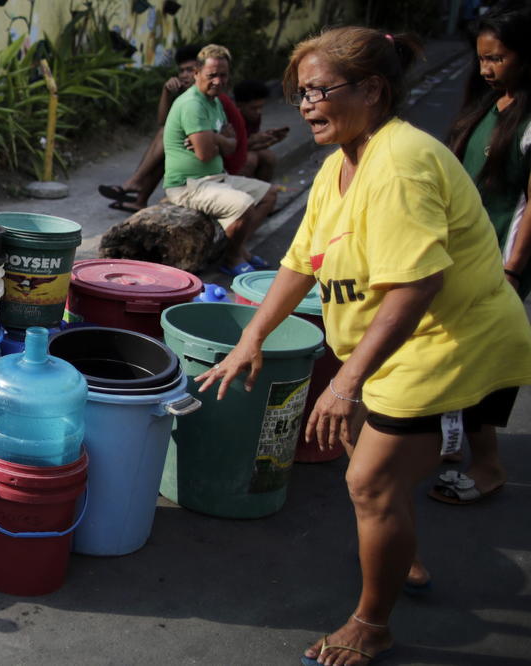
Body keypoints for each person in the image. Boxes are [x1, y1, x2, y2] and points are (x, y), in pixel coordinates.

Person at [196, 26, 531, 666]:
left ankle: (371, 623)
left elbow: (417, 285)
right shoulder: (338, 164)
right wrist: (252, 338)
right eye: (301, 93)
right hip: (399, 337)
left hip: (445, 338)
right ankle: (399, 550)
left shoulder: (400, 163)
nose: (306, 105)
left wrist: (345, 381)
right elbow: (302, 260)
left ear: (373, 89)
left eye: (320, 90)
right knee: (365, 452)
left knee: (369, 480)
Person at [428, 1, 531, 504]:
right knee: (445, 348)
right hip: (461, 255)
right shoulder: (489, 105)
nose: (488, 69)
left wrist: (512, 270)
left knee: (477, 363)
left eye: (500, 58)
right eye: (483, 58)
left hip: (499, 263)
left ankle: (488, 467)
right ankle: (446, 443)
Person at [162, 44, 278, 275]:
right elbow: (206, 153)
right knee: (244, 204)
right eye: (211, 75)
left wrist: (215, 138)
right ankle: (232, 258)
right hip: (189, 185)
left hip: (215, 178)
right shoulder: (192, 104)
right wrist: (219, 140)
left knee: (269, 194)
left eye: (223, 75)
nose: (218, 80)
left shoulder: (215, 102)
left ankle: (240, 248)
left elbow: (232, 146)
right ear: (196, 73)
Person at [97, 45, 250, 213]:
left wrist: (214, 138)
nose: (185, 75)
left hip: (225, 161)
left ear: (199, 72)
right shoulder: (192, 96)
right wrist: (166, 92)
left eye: (189, 70)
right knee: (170, 139)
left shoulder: (212, 96)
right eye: (181, 71)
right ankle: (139, 195)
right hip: (212, 155)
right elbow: (164, 121)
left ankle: (136, 181)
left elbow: (221, 144)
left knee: (165, 136)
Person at [232, 79, 290, 181]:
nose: (259, 112)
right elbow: (232, 148)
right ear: (239, 105)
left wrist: (270, 140)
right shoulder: (232, 118)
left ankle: (263, 191)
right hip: (232, 155)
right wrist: (253, 140)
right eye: (254, 108)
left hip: (245, 148)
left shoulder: (254, 117)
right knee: (250, 160)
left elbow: (253, 144)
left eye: (261, 107)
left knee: (269, 157)